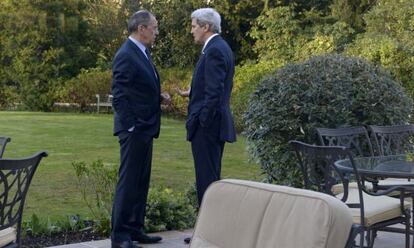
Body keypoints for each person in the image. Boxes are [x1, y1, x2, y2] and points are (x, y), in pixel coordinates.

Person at [111, 9, 170, 248]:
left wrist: (158, 96)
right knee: (129, 181)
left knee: (141, 180)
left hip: (146, 128)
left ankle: (135, 229)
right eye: (154, 27)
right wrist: (131, 126)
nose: (156, 32)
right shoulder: (126, 54)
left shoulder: (141, 53)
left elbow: (138, 89)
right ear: (141, 28)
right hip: (135, 130)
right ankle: (120, 237)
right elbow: (120, 95)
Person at [185, 7, 236, 240]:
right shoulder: (219, 47)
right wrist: (192, 91)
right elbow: (212, 86)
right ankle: (210, 232)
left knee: (206, 180)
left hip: (209, 127)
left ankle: (206, 235)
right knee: (210, 178)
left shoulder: (214, 50)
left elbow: (214, 94)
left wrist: (202, 121)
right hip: (213, 125)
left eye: (195, 25)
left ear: (206, 27)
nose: (192, 30)